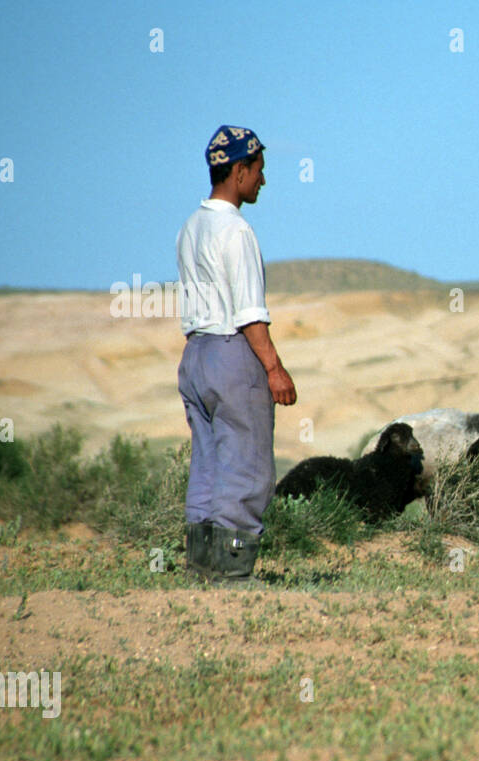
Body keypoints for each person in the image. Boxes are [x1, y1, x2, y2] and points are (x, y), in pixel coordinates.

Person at [176, 125, 296, 581]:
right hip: (231, 352)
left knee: (207, 466)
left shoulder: (190, 227)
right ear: (240, 170)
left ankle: (200, 571)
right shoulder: (237, 230)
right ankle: (232, 576)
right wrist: (274, 368)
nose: (262, 181)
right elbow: (249, 314)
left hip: (194, 357)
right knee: (246, 468)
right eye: (259, 171)